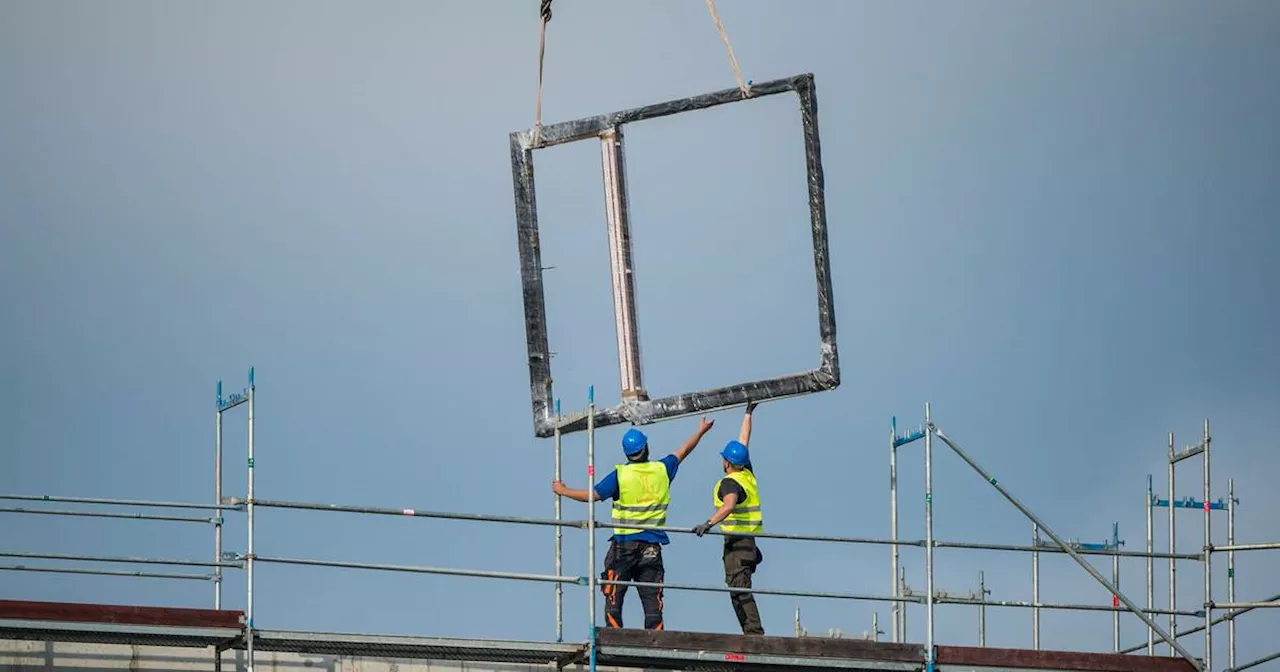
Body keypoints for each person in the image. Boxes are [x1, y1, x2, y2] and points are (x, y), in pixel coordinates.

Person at [553, 416, 714, 630]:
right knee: (652, 600)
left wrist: (563, 491)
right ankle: (655, 643)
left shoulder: (621, 475)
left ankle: (614, 638)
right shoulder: (661, 470)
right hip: (651, 547)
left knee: (614, 594)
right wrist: (701, 430)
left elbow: (592, 495)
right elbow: (684, 450)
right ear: (645, 448)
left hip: (624, 546)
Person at [693, 401, 764, 635]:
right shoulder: (746, 474)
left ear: (727, 462)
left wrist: (709, 523)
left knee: (739, 588)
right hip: (749, 542)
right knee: (738, 587)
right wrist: (748, 414)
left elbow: (729, 505)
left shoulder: (730, 482)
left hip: (738, 543)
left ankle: (754, 634)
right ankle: (751, 632)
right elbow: (744, 441)